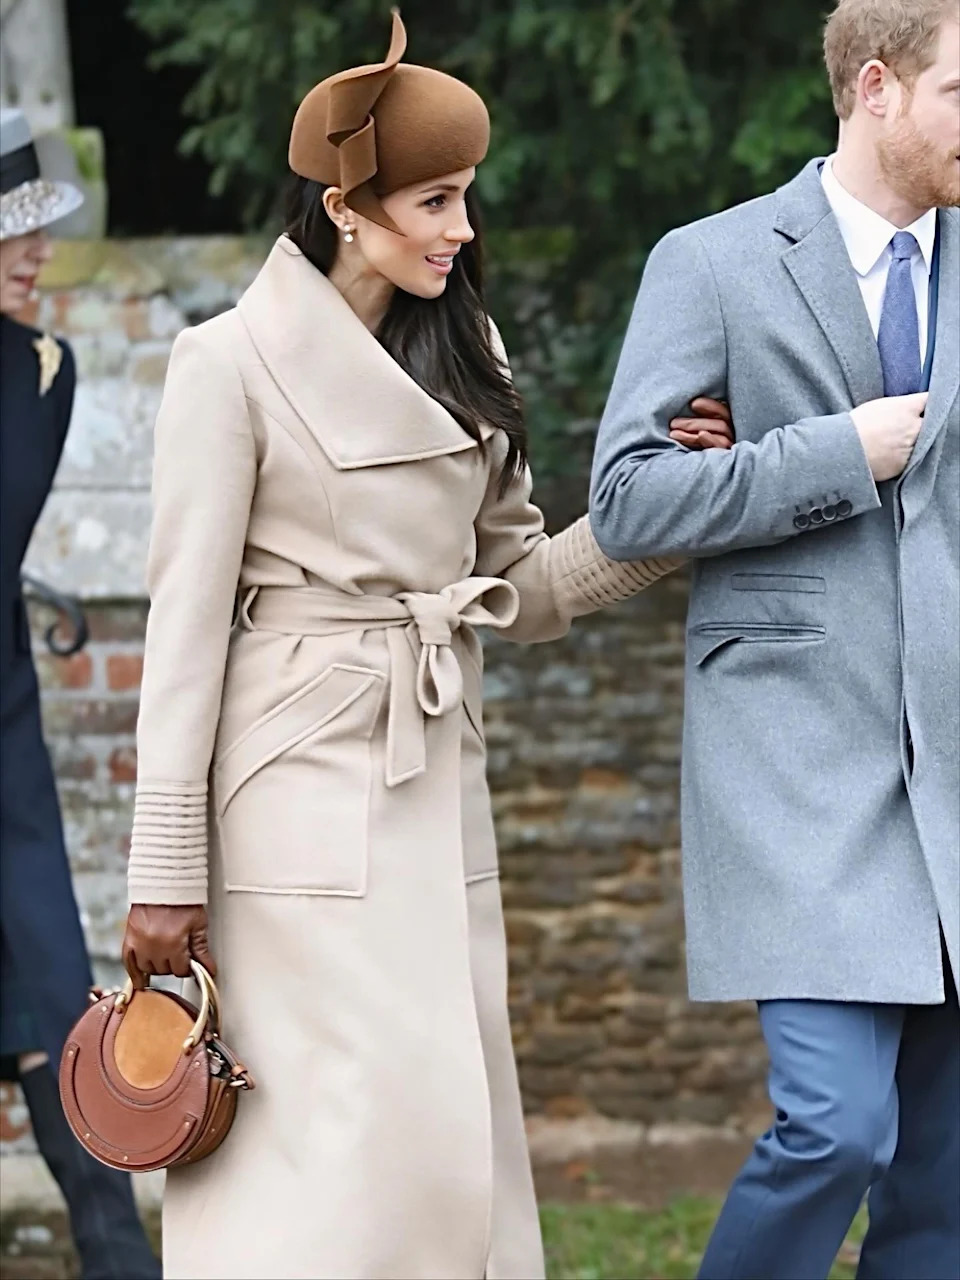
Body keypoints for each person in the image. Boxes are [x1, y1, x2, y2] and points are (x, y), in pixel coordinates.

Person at [118, 12, 733, 1278]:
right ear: (347, 207)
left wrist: (671, 509)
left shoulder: (469, 350)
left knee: (445, 1121)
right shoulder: (224, 367)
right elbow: (179, 632)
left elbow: (517, 581)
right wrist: (163, 867)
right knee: (331, 1149)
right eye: (436, 199)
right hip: (291, 789)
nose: (462, 228)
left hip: (436, 772)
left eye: (468, 198)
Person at [590, 0, 959, 1276]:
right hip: (795, 763)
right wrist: (832, 454)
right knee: (838, 1127)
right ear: (877, 89)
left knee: (944, 1184)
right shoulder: (714, 262)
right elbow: (629, 497)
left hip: (957, 773)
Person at [0, 107, 161, 1279]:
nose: (34, 250)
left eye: (37, 227)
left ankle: (120, 1260)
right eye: (9, 228)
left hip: (5, 743)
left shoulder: (43, 372)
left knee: (58, 1004)